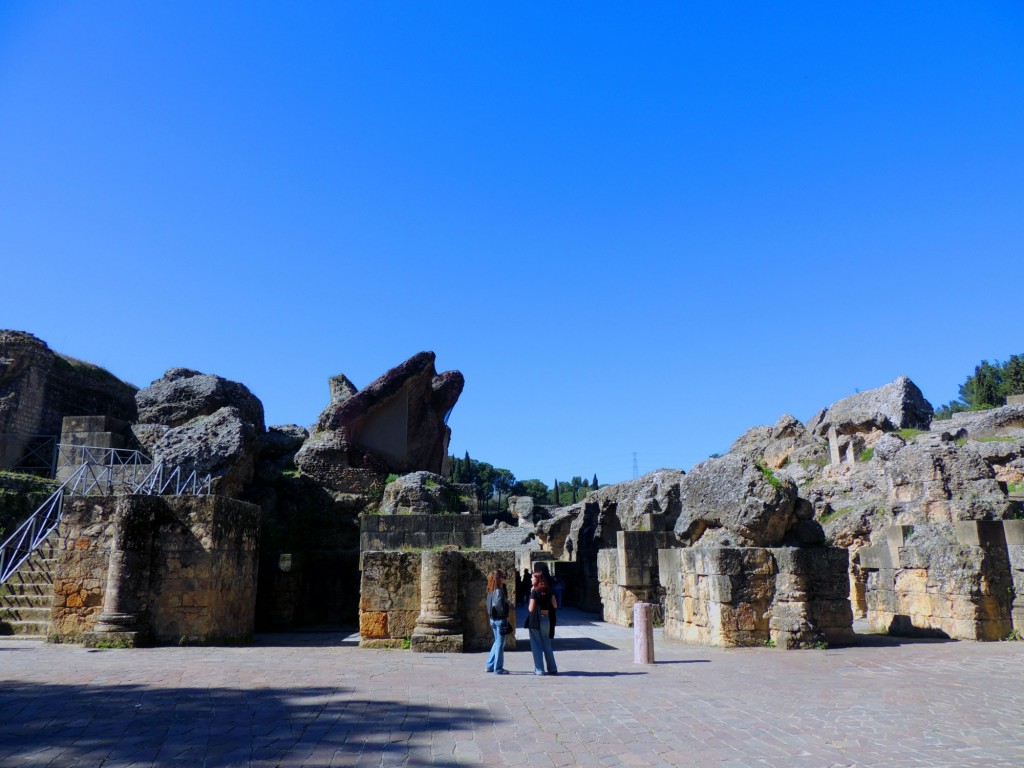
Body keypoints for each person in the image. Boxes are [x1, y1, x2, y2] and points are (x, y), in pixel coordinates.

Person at [526, 568, 558, 676]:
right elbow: (555, 605)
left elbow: (531, 609)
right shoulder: (549, 590)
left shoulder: (535, 591)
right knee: (547, 644)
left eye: (532, 577)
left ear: (537, 579)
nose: (531, 579)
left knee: (536, 645)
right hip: (546, 618)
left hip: (536, 619)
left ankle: (539, 669)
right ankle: (552, 668)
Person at [484, 569, 510, 675]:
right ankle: (498, 668)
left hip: (493, 619)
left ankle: (489, 665)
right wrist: (506, 608)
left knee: (497, 642)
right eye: (503, 576)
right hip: (500, 620)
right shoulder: (498, 591)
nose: (505, 578)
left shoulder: (491, 590)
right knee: (500, 643)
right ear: (499, 578)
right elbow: (500, 607)